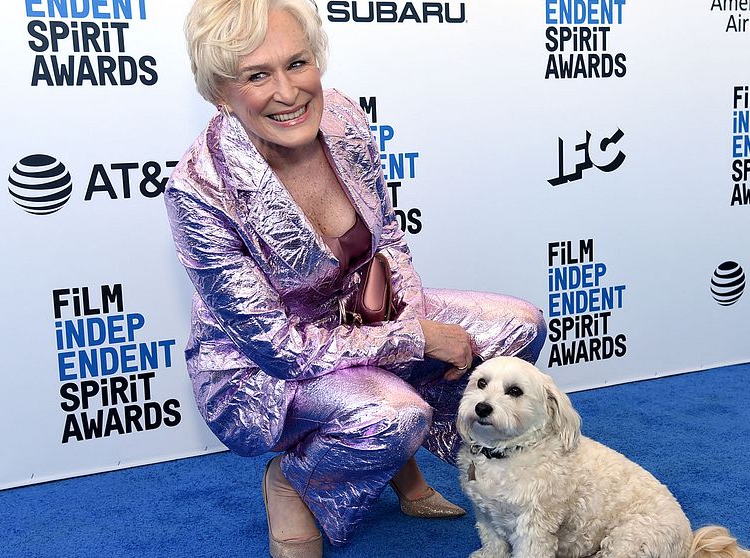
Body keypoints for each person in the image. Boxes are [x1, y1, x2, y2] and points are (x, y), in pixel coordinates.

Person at [166, 1, 547, 556]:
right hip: (261, 370)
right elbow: (279, 347)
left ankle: (398, 447)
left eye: (297, 63)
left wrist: (414, 321)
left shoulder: (341, 118)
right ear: (221, 93)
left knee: (515, 329)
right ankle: (293, 479)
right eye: (256, 75)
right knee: (395, 413)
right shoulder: (199, 192)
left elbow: (386, 238)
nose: (288, 91)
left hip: (361, 316)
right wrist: (414, 340)